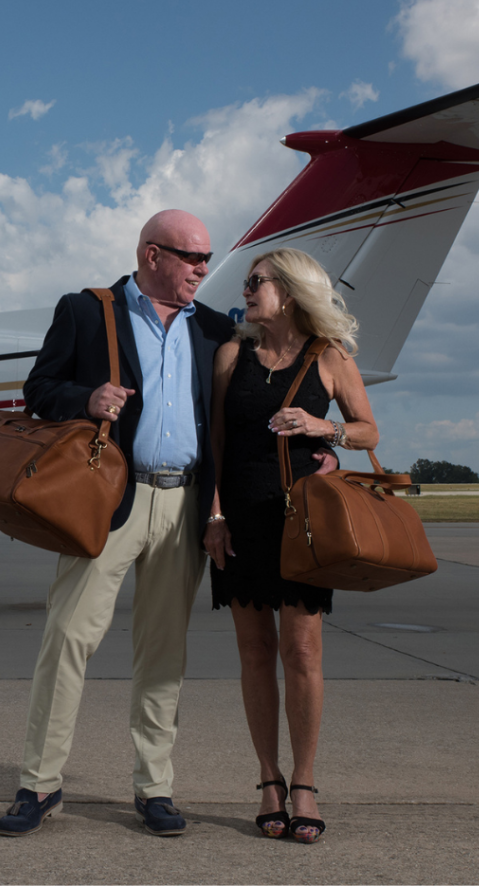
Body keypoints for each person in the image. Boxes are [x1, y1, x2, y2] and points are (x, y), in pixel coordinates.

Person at [0, 210, 234, 839]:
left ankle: (154, 789)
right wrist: (86, 399)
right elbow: (39, 389)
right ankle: (40, 784)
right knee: (68, 638)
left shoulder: (212, 328)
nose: (203, 270)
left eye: (207, 258)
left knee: (164, 654)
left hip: (183, 506)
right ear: (153, 255)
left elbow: (225, 427)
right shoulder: (86, 310)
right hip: (110, 502)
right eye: (193, 258)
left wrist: (217, 507)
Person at [203, 247, 379, 845]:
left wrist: (320, 428)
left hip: (302, 525)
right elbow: (218, 445)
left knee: (301, 652)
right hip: (242, 522)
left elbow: (367, 430)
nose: (246, 292)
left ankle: (304, 781)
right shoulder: (233, 355)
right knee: (254, 652)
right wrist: (216, 515)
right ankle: (268, 779)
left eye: (256, 283)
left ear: (291, 290)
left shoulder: (330, 358)